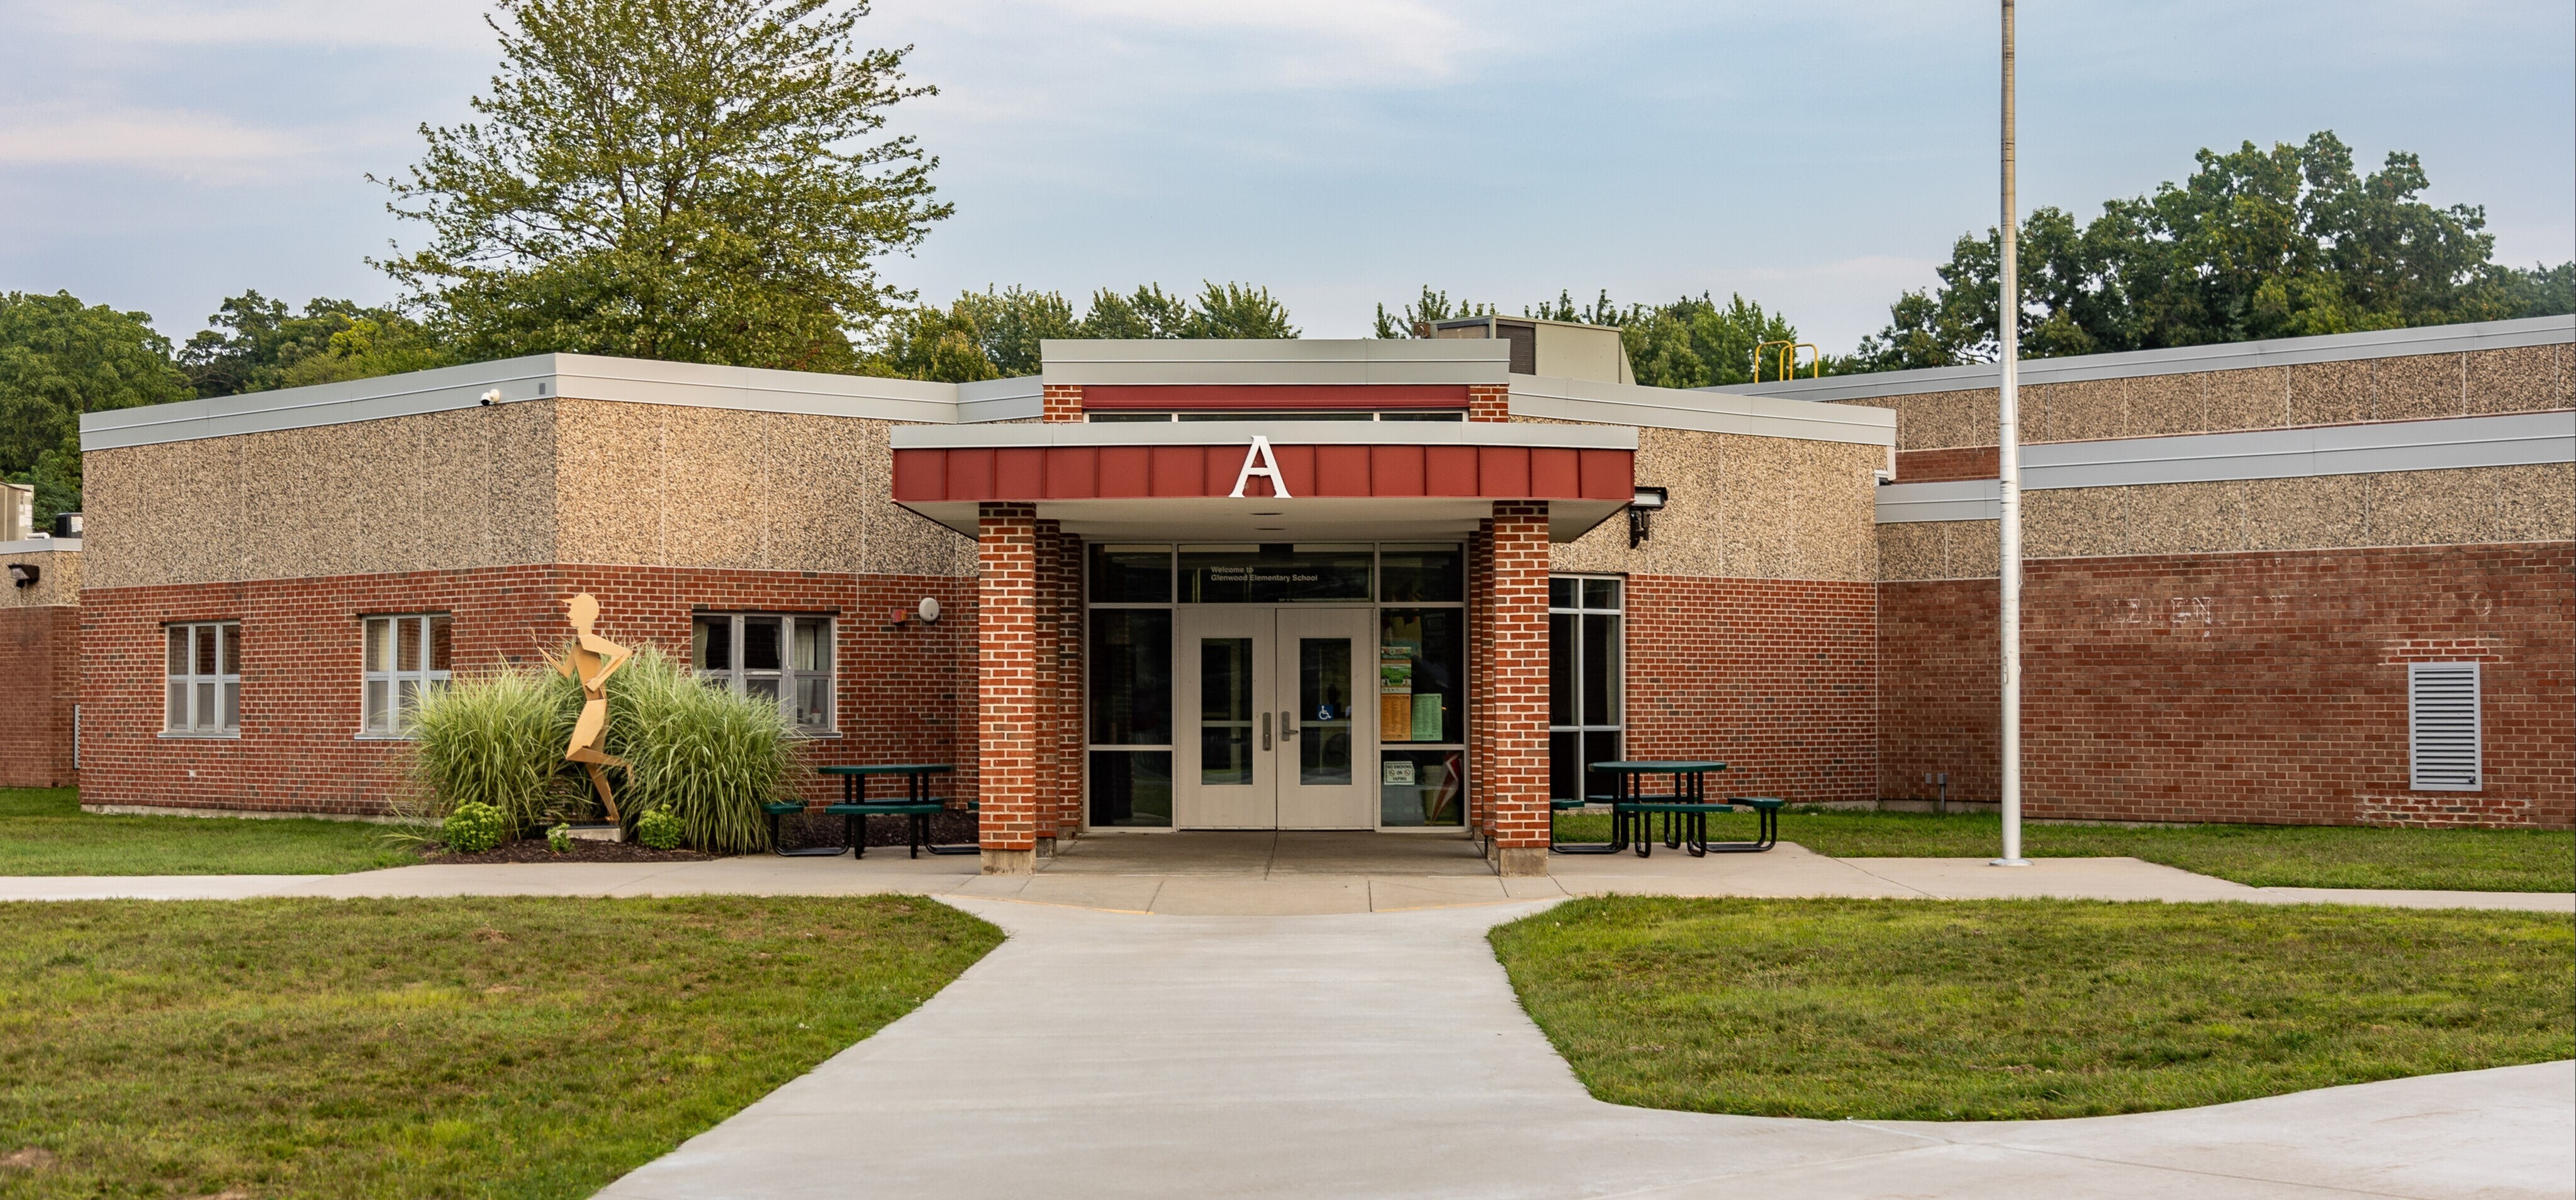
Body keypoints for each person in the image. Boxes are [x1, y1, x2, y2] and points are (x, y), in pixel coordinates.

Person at [556, 593, 632, 821]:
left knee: (574, 753)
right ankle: (614, 814)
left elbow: (624, 653)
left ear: (584, 614)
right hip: (593, 704)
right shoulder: (578, 642)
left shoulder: (589, 639)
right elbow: (565, 672)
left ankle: (625, 764)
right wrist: (538, 648)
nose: (568, 614)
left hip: (597, 705)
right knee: (591, 765)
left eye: (573, 610)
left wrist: (599, 679)